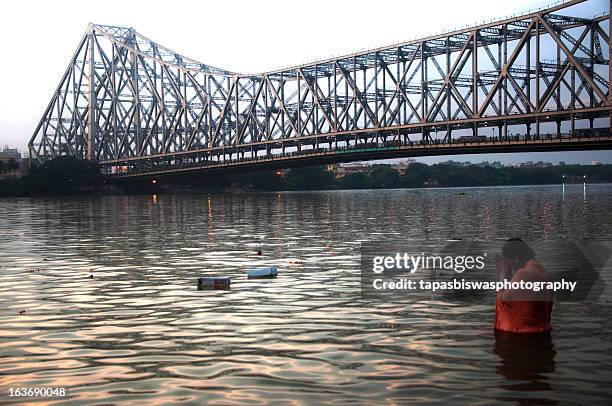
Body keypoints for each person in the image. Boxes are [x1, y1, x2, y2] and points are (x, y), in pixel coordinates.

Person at [495, 238, 553, 333]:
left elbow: (503, 301)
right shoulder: (546, 274)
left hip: (523, 335)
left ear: (516, 258)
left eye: (508, 260)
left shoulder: (523, 274)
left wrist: (502, 275)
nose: (508, 265)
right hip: (544, 332)